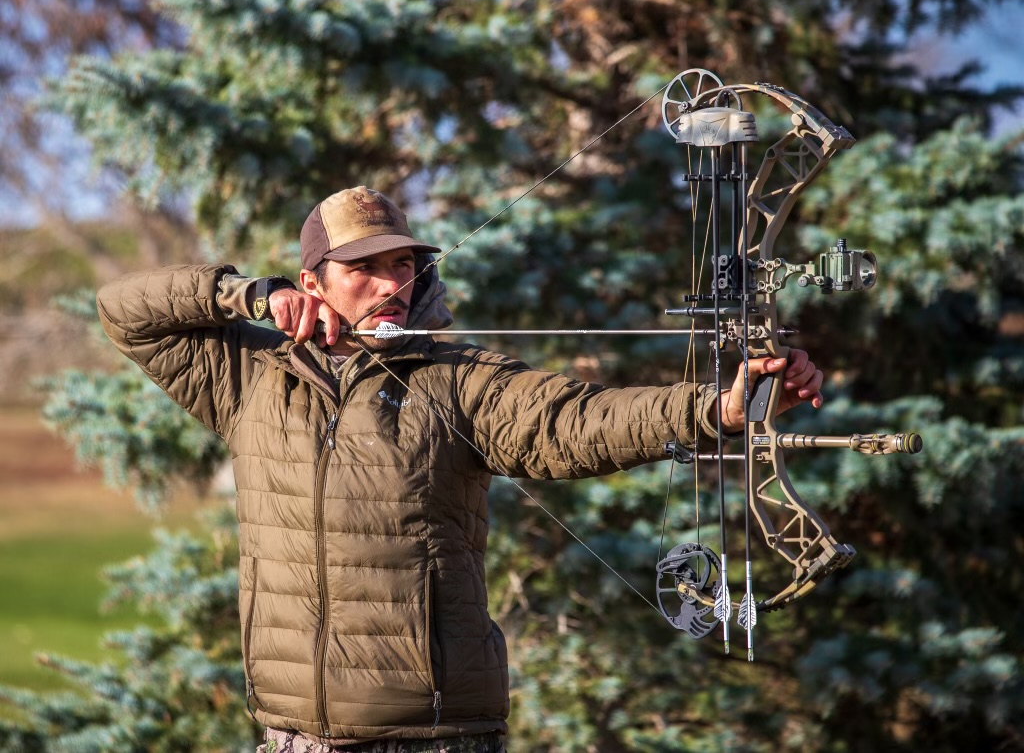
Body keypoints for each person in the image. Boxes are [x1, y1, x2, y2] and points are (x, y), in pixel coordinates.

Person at [96, 186, 823, 753]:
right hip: (296, 729)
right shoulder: (248, 376)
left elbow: (578, 423)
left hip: (437, 731)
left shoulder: (457, 380)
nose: (391, 285)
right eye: (364, 269)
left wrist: (721, 410)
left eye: (403, 265)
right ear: (312, 282)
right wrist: (244, 296)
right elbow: (124, 310)